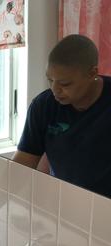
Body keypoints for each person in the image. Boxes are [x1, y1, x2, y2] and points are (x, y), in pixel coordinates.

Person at [13, 34, 111, 198]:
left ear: (92, 73)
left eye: (65, 84)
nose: (55, 90)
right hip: (63, 204)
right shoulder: (43, 105)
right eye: (50, 80)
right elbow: (21, 166)